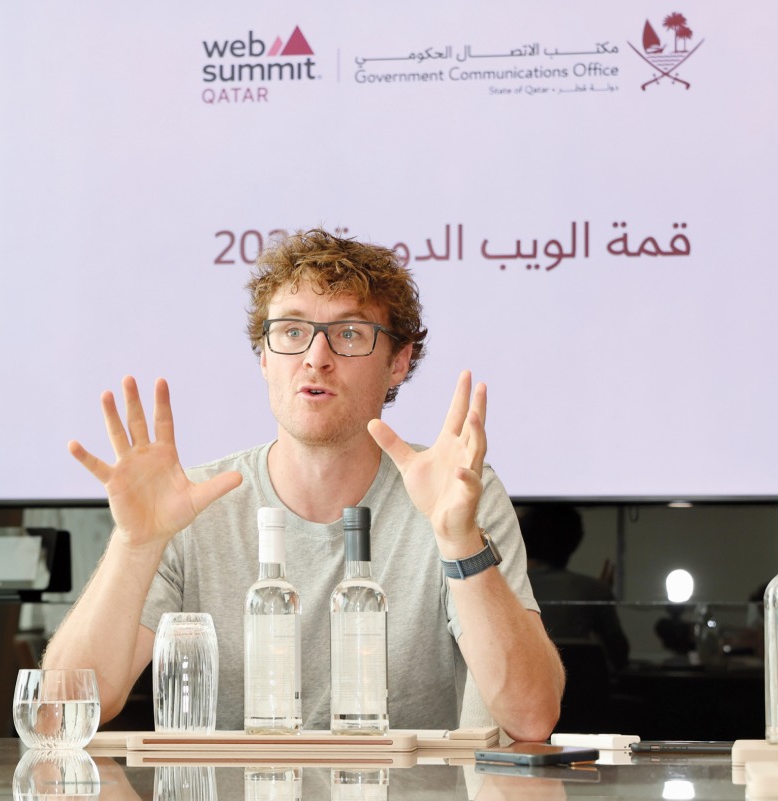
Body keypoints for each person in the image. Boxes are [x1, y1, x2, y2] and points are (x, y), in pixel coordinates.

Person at [42, 229, 563, 740]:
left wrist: (457, 538)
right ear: (264, 357)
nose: (316, 357)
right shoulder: (190, 505)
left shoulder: (456, 492)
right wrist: (137, 544)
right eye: (292, 332)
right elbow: (60, 716)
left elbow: (532, 717)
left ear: (398, 363)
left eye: (350, 333)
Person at [518, 504, 629, 671]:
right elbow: (619, 657)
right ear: (573, 542)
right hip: (583, 695)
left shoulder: (502, 587)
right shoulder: (593, 591)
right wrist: (601, 594)